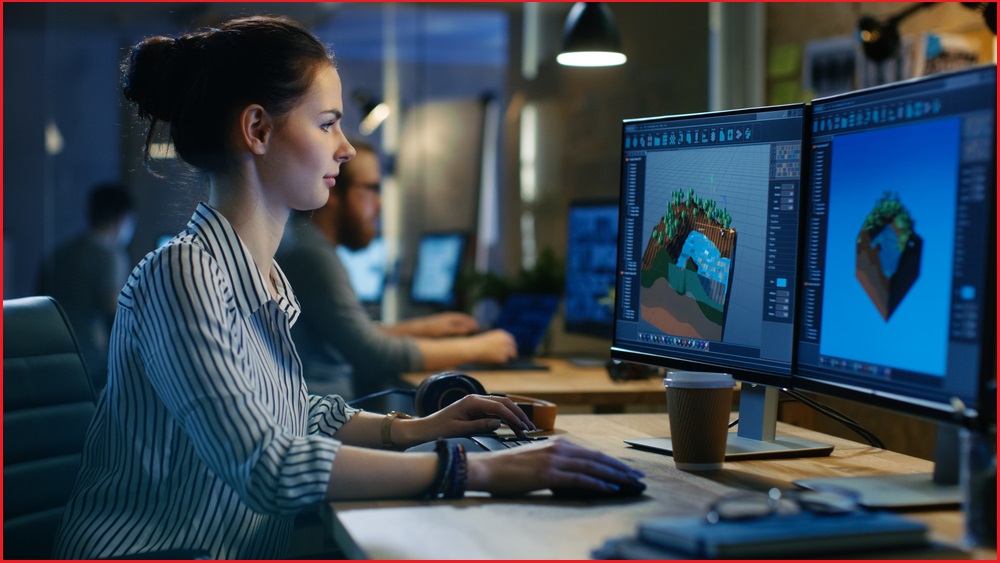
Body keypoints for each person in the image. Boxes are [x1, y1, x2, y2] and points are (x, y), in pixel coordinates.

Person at [52, 16, 644, 560]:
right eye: (328, 124)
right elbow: (269, 465)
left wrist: (418, 429)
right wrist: (478, 472)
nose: (347, 148)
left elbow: (288, 414)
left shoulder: (260, 274)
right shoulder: (179, 273)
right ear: (257, 129)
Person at [277, 140, 516, 400]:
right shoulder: (311, 254)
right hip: (324, 421)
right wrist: (477, 348)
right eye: (371, 189)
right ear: (333, 189)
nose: (379, 204)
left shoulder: (304, 242)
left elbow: (355, 334)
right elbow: (371, 352)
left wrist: (423, 327)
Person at [36, 182, 135, 389]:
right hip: (90, 360)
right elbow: (114, 309)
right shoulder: (109, 256)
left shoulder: (59, 253)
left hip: (50, 356)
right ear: (121, 219)